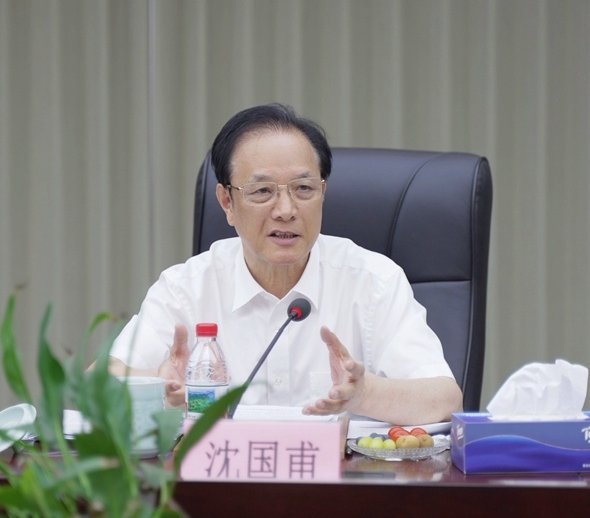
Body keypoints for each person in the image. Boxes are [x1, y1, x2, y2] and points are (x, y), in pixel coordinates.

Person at [107, 103, 463, 425]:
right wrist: (155, 383)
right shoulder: (186, 288)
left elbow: (446, 399)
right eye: (262, 191)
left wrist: (364, 393)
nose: (286, 210)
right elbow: (98, 383)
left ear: (323, 192)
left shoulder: (374, 282)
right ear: (227, 202)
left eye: (303, 188)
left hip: (342, 477)